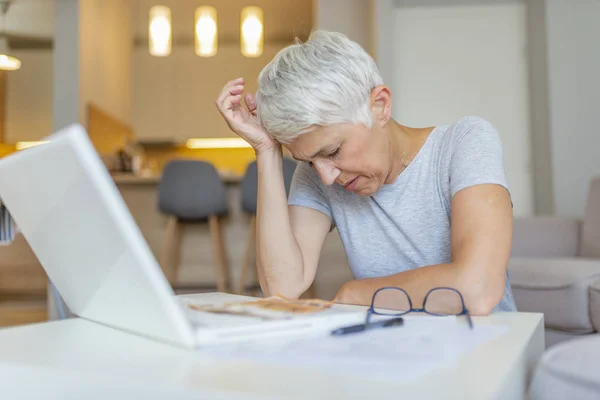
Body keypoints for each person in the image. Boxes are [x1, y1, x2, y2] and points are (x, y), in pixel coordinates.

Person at [215, 30, 516, 315]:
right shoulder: (320, 172)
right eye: (308, 161)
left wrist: (354, 294)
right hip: (391, 354)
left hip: (485, 352)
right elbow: (282, 287)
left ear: (380, 106)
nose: (326, 177)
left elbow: (478, 288)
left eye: (333, 151)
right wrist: (266, 151)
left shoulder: (465, 142)